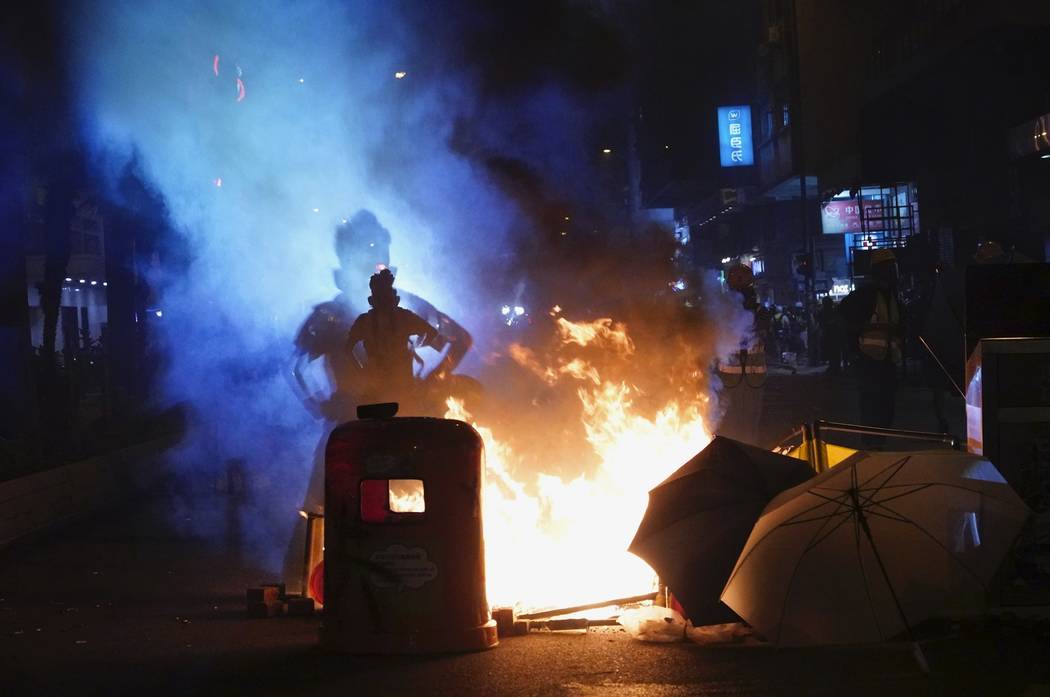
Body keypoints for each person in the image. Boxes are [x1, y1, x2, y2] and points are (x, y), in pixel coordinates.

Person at [345, 268, 446, 408]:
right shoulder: (369, 321)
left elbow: (431, 333)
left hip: (398, 387)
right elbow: (347, 349)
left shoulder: (402, 317)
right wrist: (362, 372)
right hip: (379, 389)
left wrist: (414, 347)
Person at [840, 248, 903, 444]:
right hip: (869, 363)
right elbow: (845, 321)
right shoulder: (865, 295)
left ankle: (877, 446)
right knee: (871, 413)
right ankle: (871, 449)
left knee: (886, 412)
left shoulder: (892, 296)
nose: (894, 272)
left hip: (888, 363)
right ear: (881, 270)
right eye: (890, 268)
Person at [817, 296, 843, 375]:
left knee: (834, 351)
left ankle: (835, 367)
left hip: (833, 335)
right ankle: (833, 366)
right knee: (831, 351)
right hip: (829, 335)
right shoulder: (825, 312)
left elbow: (837, 322)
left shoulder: (833, 311)